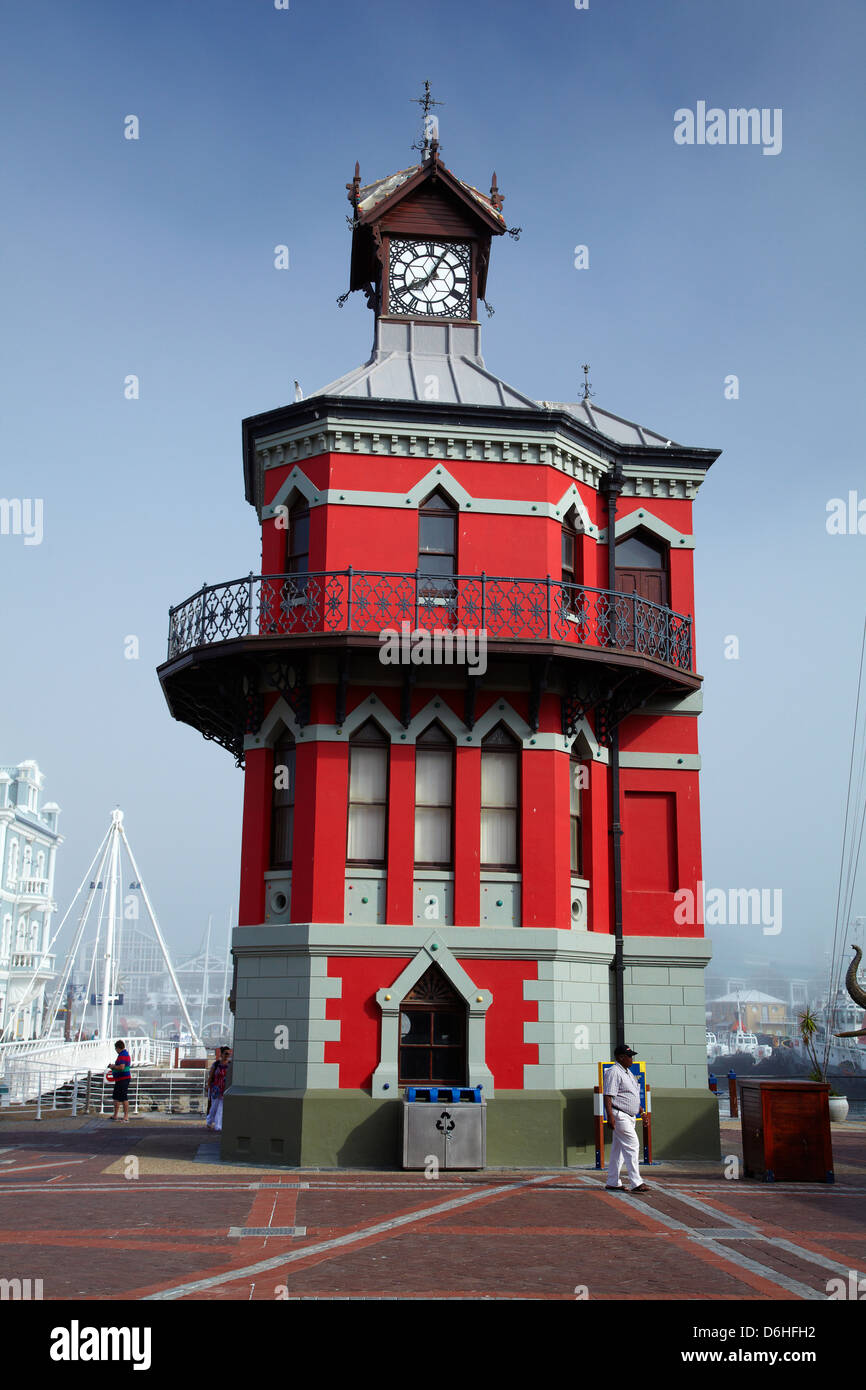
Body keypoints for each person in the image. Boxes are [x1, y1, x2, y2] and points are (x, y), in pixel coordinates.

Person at [603, 1044, 650, 1192]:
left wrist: (642, 1112)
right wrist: (610, 1116)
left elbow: (633, 1096)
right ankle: (636, 1182)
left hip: (630, 1116)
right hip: (619, 1115)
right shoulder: (614, 1072)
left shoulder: (627, 1072)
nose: (632, 1059)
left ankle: (612, 1181)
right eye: (629, 1056)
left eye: (632, 1056)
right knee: (633, 1145)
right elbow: (608, 1096)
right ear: (620, 1057)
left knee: (618, 1150)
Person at [205, 1048, 230, 1132]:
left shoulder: (230, 1065)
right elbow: (211, 1076)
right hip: (216, 1089)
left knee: (221, 1108)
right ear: (222, 1054)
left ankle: (218, 1125)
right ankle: (209, 1121)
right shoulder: (216, 1065)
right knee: (214, 1107)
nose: (227, 1056)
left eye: (229, 1054)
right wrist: (208, 1086)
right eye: (226, 1053)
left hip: (225, 1089)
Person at [110, 1039, 131, 1123]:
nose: (115, 1050)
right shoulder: (124, 1054)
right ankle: (115, 1115)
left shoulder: (122, 1055)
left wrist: (113, 1066)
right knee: (116, 1097)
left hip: (123, 1079)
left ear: (118, 1048)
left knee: (123, 1097)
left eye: (116, 1048)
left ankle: (126, 1117)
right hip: (120, 1079)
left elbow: (122, 1067)